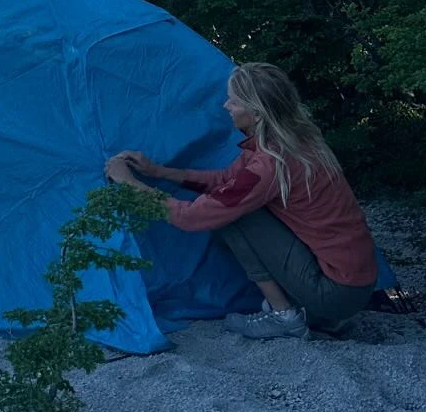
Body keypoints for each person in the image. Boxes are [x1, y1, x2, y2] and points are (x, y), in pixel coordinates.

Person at [105, 60, 378, 341]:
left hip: (337, 290)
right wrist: (159, 172)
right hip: (354, 281)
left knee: (232, 215)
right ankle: (314, 314)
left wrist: (128, 183)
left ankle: (283, 315)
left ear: (256, 113)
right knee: (229, 203)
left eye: (233, 101)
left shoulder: (270, 163)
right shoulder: (292, 140)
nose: (226, 106)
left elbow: (191, 217)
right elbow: (227, 179)